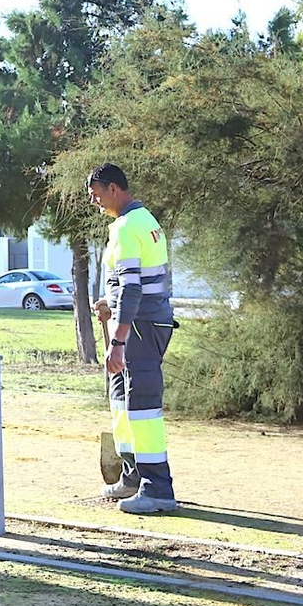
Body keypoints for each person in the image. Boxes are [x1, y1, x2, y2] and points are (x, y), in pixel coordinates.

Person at [88, 163, 179, 514]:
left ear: (114, 188)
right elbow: (132, 285)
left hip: (140, 329)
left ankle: (158, 490)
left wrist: (118, 341)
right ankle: (133, 476)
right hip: (146, 324)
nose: (94, 201)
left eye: (96, 194)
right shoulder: (145, 222)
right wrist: (108, 304)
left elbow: (132, 286)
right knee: (124, 401)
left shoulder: (126, 227)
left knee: (143, 409)